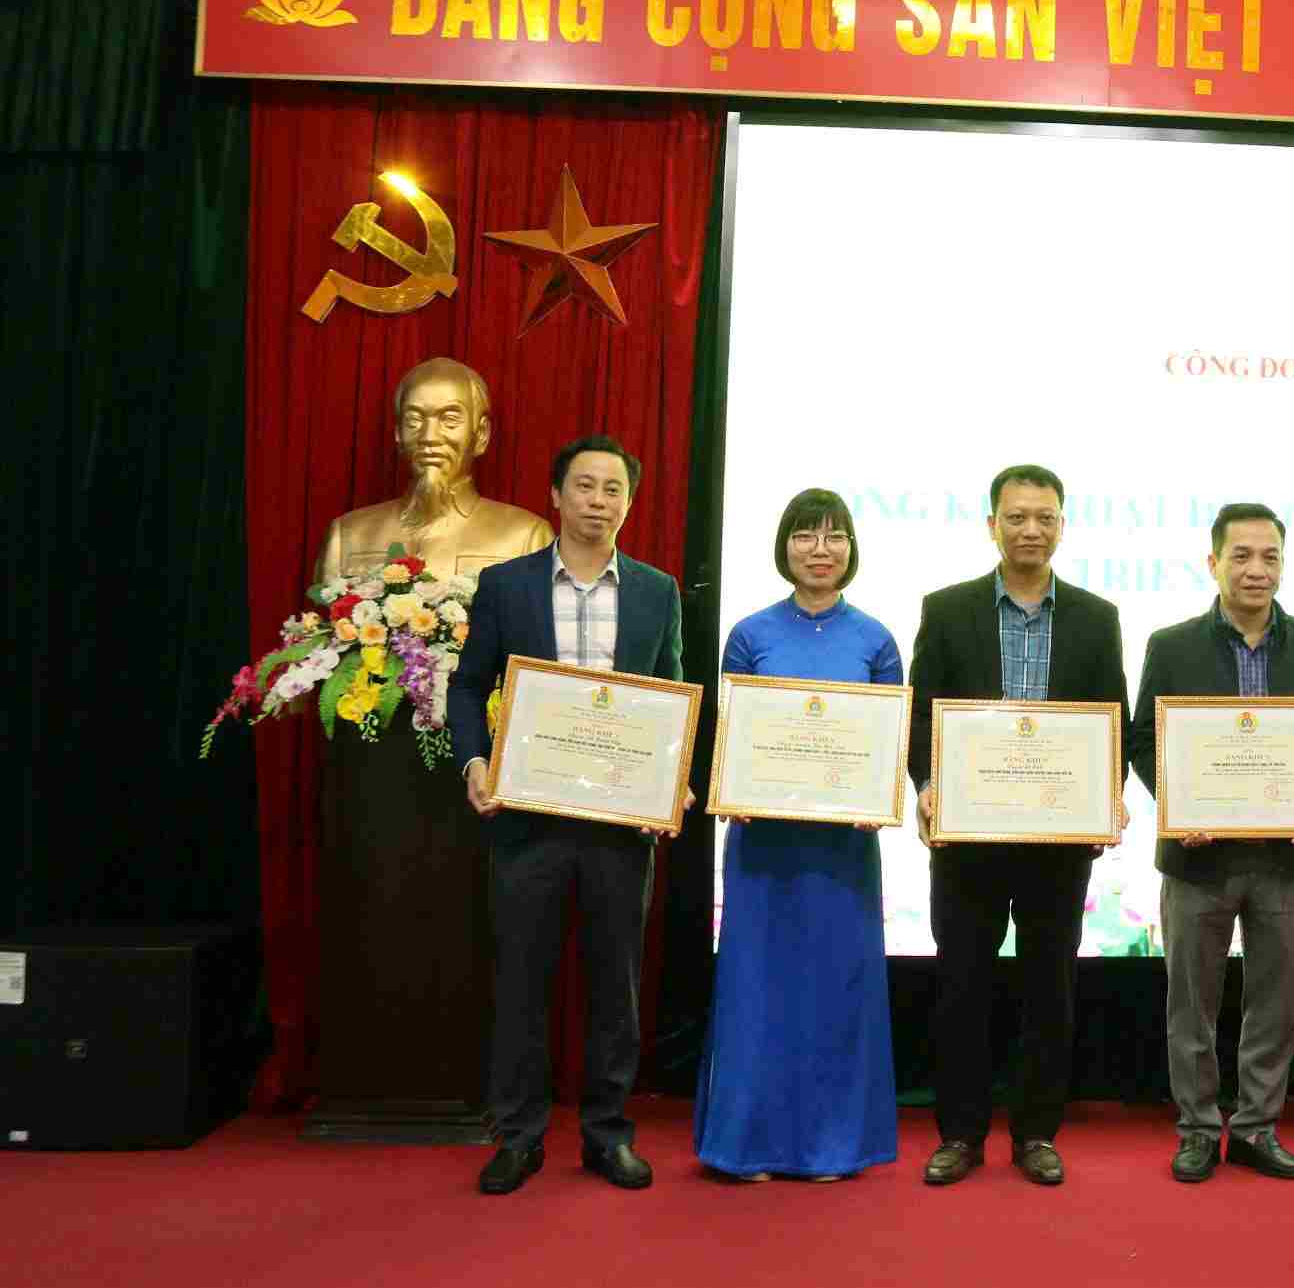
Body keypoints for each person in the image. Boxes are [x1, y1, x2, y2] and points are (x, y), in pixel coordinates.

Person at [451, 434, 687, 1196]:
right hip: (528, 817)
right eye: (584, 486)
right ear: (556, 495)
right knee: (522, 979)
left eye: (613, 489)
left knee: (615, 985)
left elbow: (673, 697)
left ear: (630, 500)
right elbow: (465, 688)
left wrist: (672, 780)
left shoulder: (657, 590)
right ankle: (517, 1136)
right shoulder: (507, 585)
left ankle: (607, 1133)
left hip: (622, 824)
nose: (598, 501)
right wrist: (474, 760)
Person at [908, 464, 1129, 1189]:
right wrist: (930, 785)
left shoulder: (1097, 617)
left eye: (1044, 517)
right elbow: (921, 717)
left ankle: (1036, 1131)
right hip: (969, 839)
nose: (1030, 529)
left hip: (1057, 844)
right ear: (991, 523)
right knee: (961, 986)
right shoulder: (947, 609)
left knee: (1049, 987)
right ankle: (961, 1133)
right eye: (1016, 516)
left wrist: (1106, 795)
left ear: (1062, 525)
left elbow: (1112, 722)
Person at [1127, 502, 1294, 1183]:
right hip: (1198, 856)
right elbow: (1142, 740)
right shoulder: (1172, 643)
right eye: (1242, 555)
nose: (1257, 569)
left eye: (1270, 556)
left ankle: (1255, 1127)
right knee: (1189, 1004)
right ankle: (1196, 1128)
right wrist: (1176, 804)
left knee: (1276, 1002)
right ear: (1213, 561)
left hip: (1285, 856)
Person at [694, 489, 902, 1183]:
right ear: (784, 545)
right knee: (757, 988)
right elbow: (732, 734)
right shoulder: (750, 634)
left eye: (834, 535)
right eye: (806, 535)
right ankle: (745, 1145)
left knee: (835, 991)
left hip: (842, 849)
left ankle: (831, 1147)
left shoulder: (876, 640)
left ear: (851, 548)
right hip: (764, 846)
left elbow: (888, 744)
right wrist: (732, 785)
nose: (820, 548)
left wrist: (879, 794)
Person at [315, 356, 549, 582]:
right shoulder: (347, 535)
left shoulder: (527, 537)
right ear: (398, 432)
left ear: (481, 435)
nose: (429, 437)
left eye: (449, 419)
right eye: (414, 421)